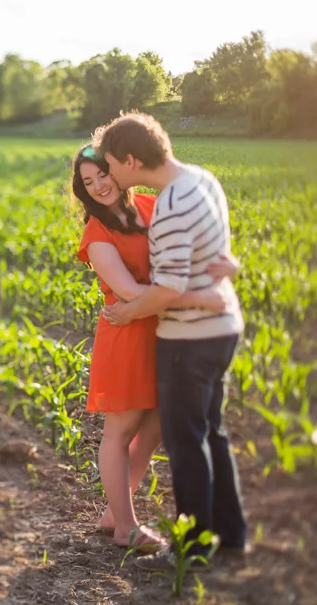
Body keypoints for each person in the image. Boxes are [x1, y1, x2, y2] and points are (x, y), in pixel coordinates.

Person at [94, 111, 248, 572]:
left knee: (186, 443)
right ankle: (232, 531)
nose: (112, 177)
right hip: (222, 331)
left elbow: (169, 288)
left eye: (112, 166)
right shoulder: (203, 179)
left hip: (189, 338)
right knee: (212, 432)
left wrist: (129, 310)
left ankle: (193, 546)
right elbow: (214, 253)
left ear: (130, 159)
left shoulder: (171, 205)